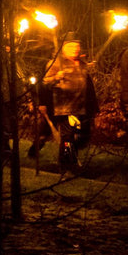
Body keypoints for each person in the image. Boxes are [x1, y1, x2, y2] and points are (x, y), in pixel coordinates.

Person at [43, 32, 99, 169]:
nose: (75, 49)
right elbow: (45, 82)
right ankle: (68, 163)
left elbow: (88, 85)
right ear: (64, 48)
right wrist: (56, 77)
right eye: (71, 46)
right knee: (68, 137)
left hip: (81, 107)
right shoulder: (55, 63)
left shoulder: (81, 63)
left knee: (83, 136)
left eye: (77, 46)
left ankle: (67, 159)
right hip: (65, 107)